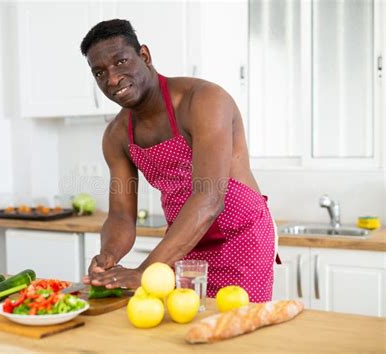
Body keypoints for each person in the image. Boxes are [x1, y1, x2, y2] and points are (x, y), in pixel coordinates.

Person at [80, 19, 278, 302]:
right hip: (183, 244)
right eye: (99, 73)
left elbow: (209, 198)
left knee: (236, 331)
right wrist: (108, 255)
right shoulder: (116, 135)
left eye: (121, 62)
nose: (112, 80)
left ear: (145, 56)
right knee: (182, 327)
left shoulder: (204, 100)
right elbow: (121, 216)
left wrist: (146, 270)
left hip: (241, 237)